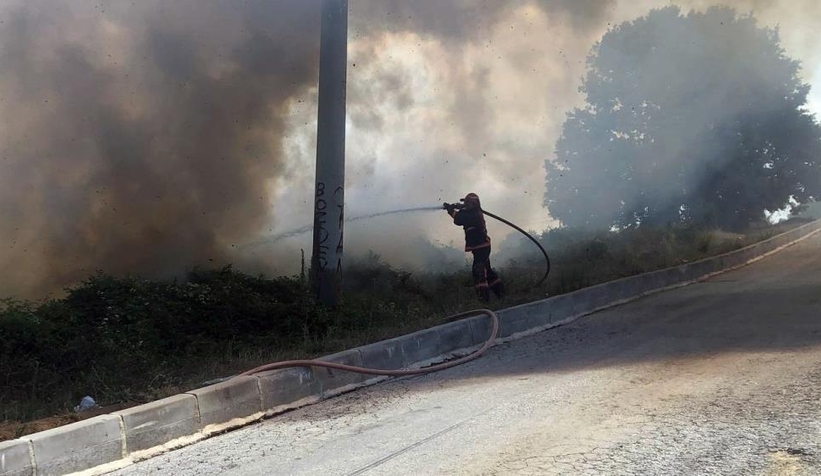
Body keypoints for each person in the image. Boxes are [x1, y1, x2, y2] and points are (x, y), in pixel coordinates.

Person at [445, 193, 504, 301]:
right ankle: (501, 293)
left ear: (473, 204)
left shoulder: (473, 214)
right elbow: (464, 213)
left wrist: (450, 210)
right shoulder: (472, 211)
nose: (465, 205)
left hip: (482, 247)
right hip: (480, 247)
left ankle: (484, 299)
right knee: (487, 270)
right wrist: (459, 206)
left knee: (478, 271)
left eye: (467, 203)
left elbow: (459, 219)